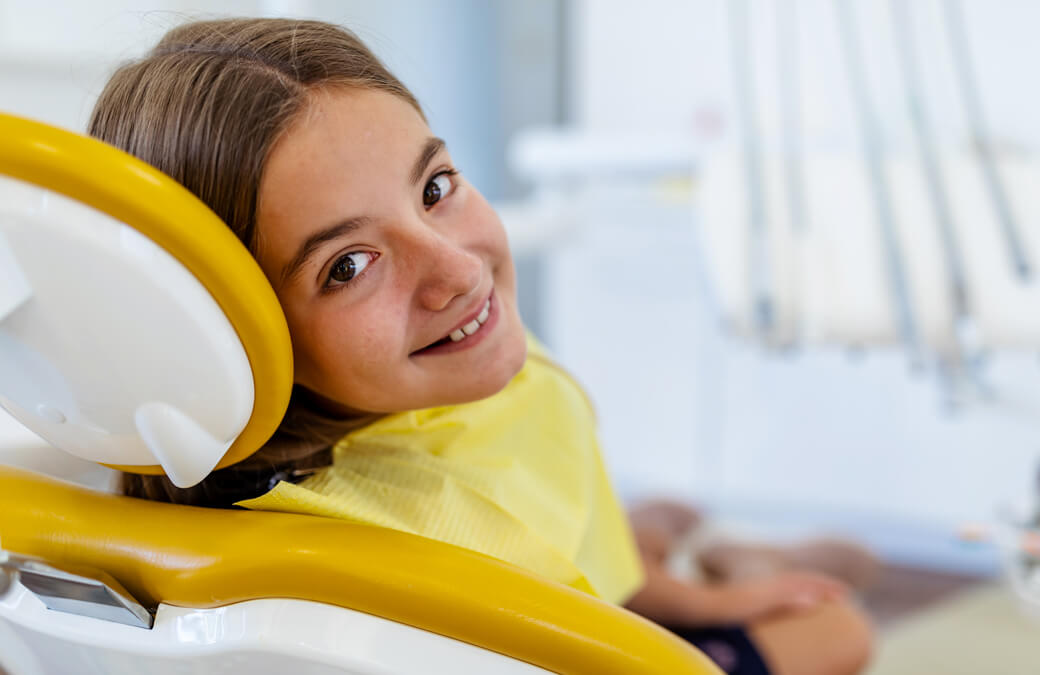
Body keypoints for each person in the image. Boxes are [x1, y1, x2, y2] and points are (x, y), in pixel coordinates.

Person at [91, 17, 872, 675]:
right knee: (840, 627)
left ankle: (669, 544)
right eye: (349, 266)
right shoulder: (339, 558)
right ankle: (697, 546)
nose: (459, 270)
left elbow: (563, 545)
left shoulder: (443, 384)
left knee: (646, 525)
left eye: (434, 187)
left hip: (592, 580)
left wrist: (695, 604)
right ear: (224, 330)